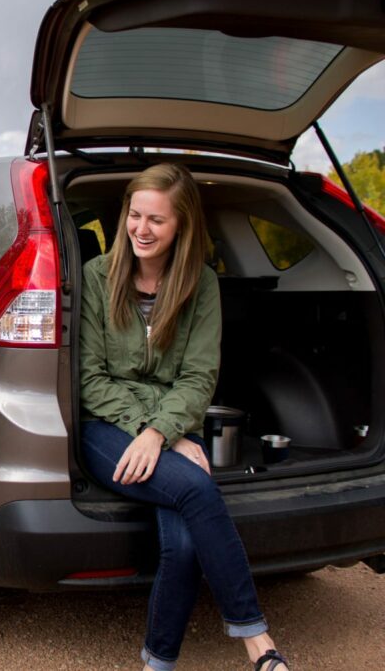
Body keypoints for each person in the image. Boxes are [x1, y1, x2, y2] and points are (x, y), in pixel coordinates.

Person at [78, 163, 290, 671]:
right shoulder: (95, 277)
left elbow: (198, 379)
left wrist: (164, 432)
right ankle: (260, 646)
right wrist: (152, 433)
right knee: (197, 489)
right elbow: (90, 379)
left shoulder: (201, 286)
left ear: (182, 227)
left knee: (187, 540)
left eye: (157, 220)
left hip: (169, 427)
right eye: (135, 215)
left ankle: (158, 662)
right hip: (107, 426)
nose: (141, 230)